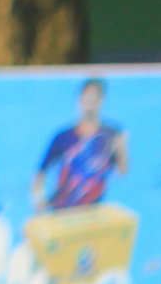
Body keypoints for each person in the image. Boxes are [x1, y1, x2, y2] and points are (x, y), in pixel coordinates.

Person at [34, 78, 128, 211]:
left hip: (93, 211)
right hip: (63, 210)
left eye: (95, 98)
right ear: (79, 100)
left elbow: (122, 172)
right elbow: (41, 173)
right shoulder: (63, 137)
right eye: (87, 97)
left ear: (101, 101)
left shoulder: (111, 135)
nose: (90, 102)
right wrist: (39, 200)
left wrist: (121, 149)